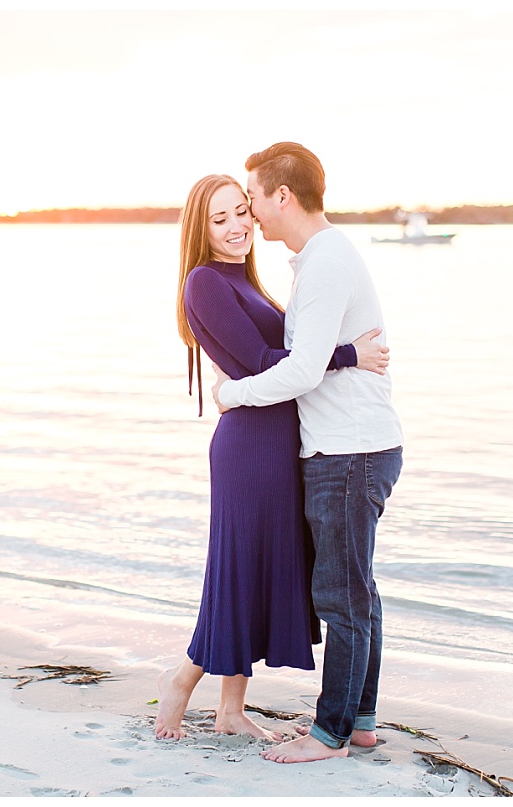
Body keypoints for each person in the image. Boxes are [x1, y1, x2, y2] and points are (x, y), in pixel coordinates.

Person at [156, 174, 389, 742]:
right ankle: (179, 687)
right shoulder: (205, 282)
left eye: (242, 212)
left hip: (279, 442)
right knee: (236, 575)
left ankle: (232, 711)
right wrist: (349, 354)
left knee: (257, 575)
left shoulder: (247, 280)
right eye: (220, 219)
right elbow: (266, 361)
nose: (238, 226)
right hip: (249, 450)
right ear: (199, 228)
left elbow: (283, 359)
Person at [210, 143, 404, 764]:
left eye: (254, 199)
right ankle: (361, 721)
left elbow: (300, 371)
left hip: (350, 452)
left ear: (281, 196)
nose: (251, 214)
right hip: (352, 447)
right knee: (356, 591)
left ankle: (331, 735)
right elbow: (319, 360)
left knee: (342, 597)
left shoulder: (323, 264)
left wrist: (232, 393)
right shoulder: (318, 258)